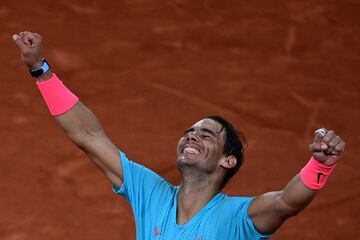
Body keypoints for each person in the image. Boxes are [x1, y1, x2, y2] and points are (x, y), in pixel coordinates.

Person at [13, 31, 346, 240]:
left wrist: (321, 166)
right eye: (189, 132)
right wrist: (41, 70)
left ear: (227, 160)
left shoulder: (238, 218)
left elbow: (287, 202)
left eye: (206, 135)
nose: (191, 136)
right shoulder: (151, 194)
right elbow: (87, 134)